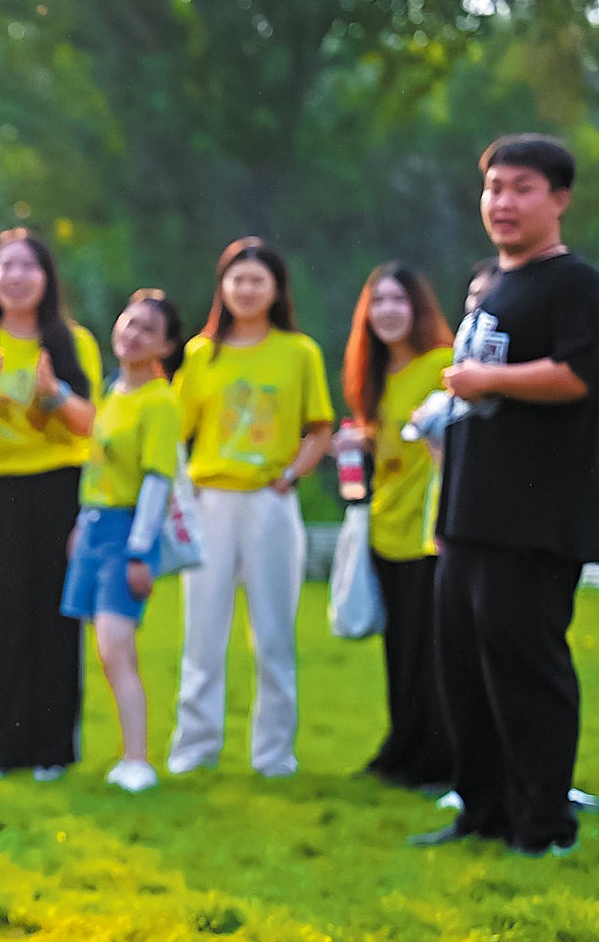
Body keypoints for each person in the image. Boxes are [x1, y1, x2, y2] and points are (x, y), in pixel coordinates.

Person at [415, 135, 599, 857]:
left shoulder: (574, 284)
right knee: (464, 671)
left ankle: (544, 825)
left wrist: (489, 380)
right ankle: (483, 812)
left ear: (559, 198)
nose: (503, 202)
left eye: (521, 188)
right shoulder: (493, 282)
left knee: (528, 672)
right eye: (493, 188)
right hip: (467, 513)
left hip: (531, 518)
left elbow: (579, 376)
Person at [168, 238, 333, 779]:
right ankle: (194, 749)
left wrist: (289, 475)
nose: (245, 289)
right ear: (222, 287)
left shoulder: (299, 351)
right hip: (210, 499)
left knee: (275, 635)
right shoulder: (200, 354)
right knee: (202, 633)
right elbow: (174, 432)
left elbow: (319, 430)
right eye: (236, 279)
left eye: (257, 280)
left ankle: (274, 755)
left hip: (270, 501)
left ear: (276, 288)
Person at [0, 229, 101, 780]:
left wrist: (54, 394)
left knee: (56, 617)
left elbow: (93, 424)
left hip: (59, 485)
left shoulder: (71, 341)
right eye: (5, 266)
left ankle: (53, 751)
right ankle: (0, 754)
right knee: (1, 617)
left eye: (27, 267)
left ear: (46, 279)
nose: (15, 276)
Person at [62, 292, 185, 792]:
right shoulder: (114, 393)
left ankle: (138, 759)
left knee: (117, 646)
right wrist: (79, 524)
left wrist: (138, 552)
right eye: (129, 323)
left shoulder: (160, 401)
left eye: (147, 330)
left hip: (127, 532)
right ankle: (125, 753)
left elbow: (158, 480)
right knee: (106, 648)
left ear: (166, 345)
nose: (132, 335)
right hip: (93, 526)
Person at [341, 263, 456, 791]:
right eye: (378, 301)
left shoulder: (442, 365)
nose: (387, 311)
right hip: (384, 529)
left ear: (418, 309)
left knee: (430, 651)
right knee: (398, 649)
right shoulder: (371, 377)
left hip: (428, 531)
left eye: (397, 300)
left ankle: (436, 758)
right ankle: (402, 748)